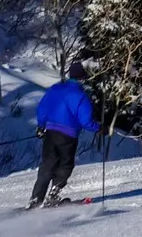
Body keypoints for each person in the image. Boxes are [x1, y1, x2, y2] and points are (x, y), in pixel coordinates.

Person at [29, 65, 99, 209]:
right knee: (65, 165)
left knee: (47, 165)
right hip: (68, 136)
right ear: (82, 78)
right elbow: (86, 121)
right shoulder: (80, 96)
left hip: (50, 132)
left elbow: (42, 109)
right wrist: (100, 127)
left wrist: (41, 126)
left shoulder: (54, 90)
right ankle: (52, 196)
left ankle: (36, 199)